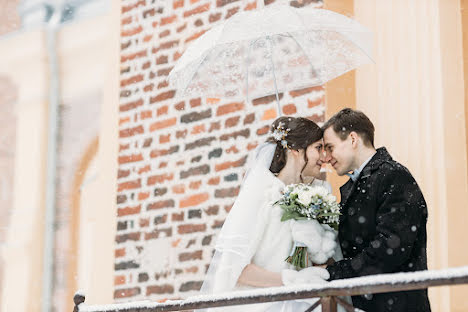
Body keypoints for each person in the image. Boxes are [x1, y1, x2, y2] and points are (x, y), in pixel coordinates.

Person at [199, 116, 342, 312]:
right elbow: (233, 270)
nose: (324, 157)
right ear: (296, 151)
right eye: (318, 148)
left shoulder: (317, 194)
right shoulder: (261, 191)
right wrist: (289, 280)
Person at [322, 108, 431, 312]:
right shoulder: (354, 186)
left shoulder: (394, 176)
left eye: (330, 147)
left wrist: (333, 273)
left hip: (398, 305)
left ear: (353, 139)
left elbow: (390, 248)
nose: (326, 157)